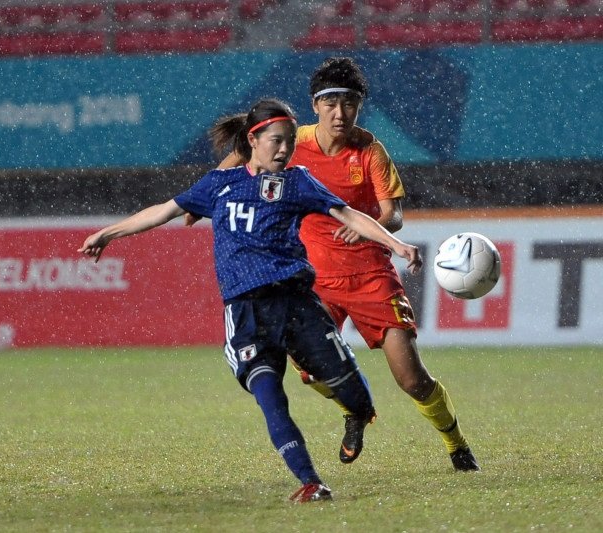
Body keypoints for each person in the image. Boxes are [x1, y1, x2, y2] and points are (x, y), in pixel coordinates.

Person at [79, 98, 423, 502]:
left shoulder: (297, 181)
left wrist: (394, 243)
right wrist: (108, 233)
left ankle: (358, 413)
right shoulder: (217, 184)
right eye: (277, 141)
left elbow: (348, 214)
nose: (284, 149)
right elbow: (163, 211)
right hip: (245, 313)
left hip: (296, 305)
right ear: (253, 140)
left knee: (354, 394)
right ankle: (311, 482)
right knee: (269, 395)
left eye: (290, 142)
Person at [201, 58, 479, 471]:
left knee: (411, 379)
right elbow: (235, 170)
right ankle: (353, 408)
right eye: (330, 102)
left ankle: (456, 443)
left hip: (370, 276)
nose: (340, 112)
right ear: (315, 106)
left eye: (349, 102)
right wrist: (202, 198)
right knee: (310, 373)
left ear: (359, 105)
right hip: (312, 283)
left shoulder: (370, 151)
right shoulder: (291, 142)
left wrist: (373, 227)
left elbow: (394, 213)